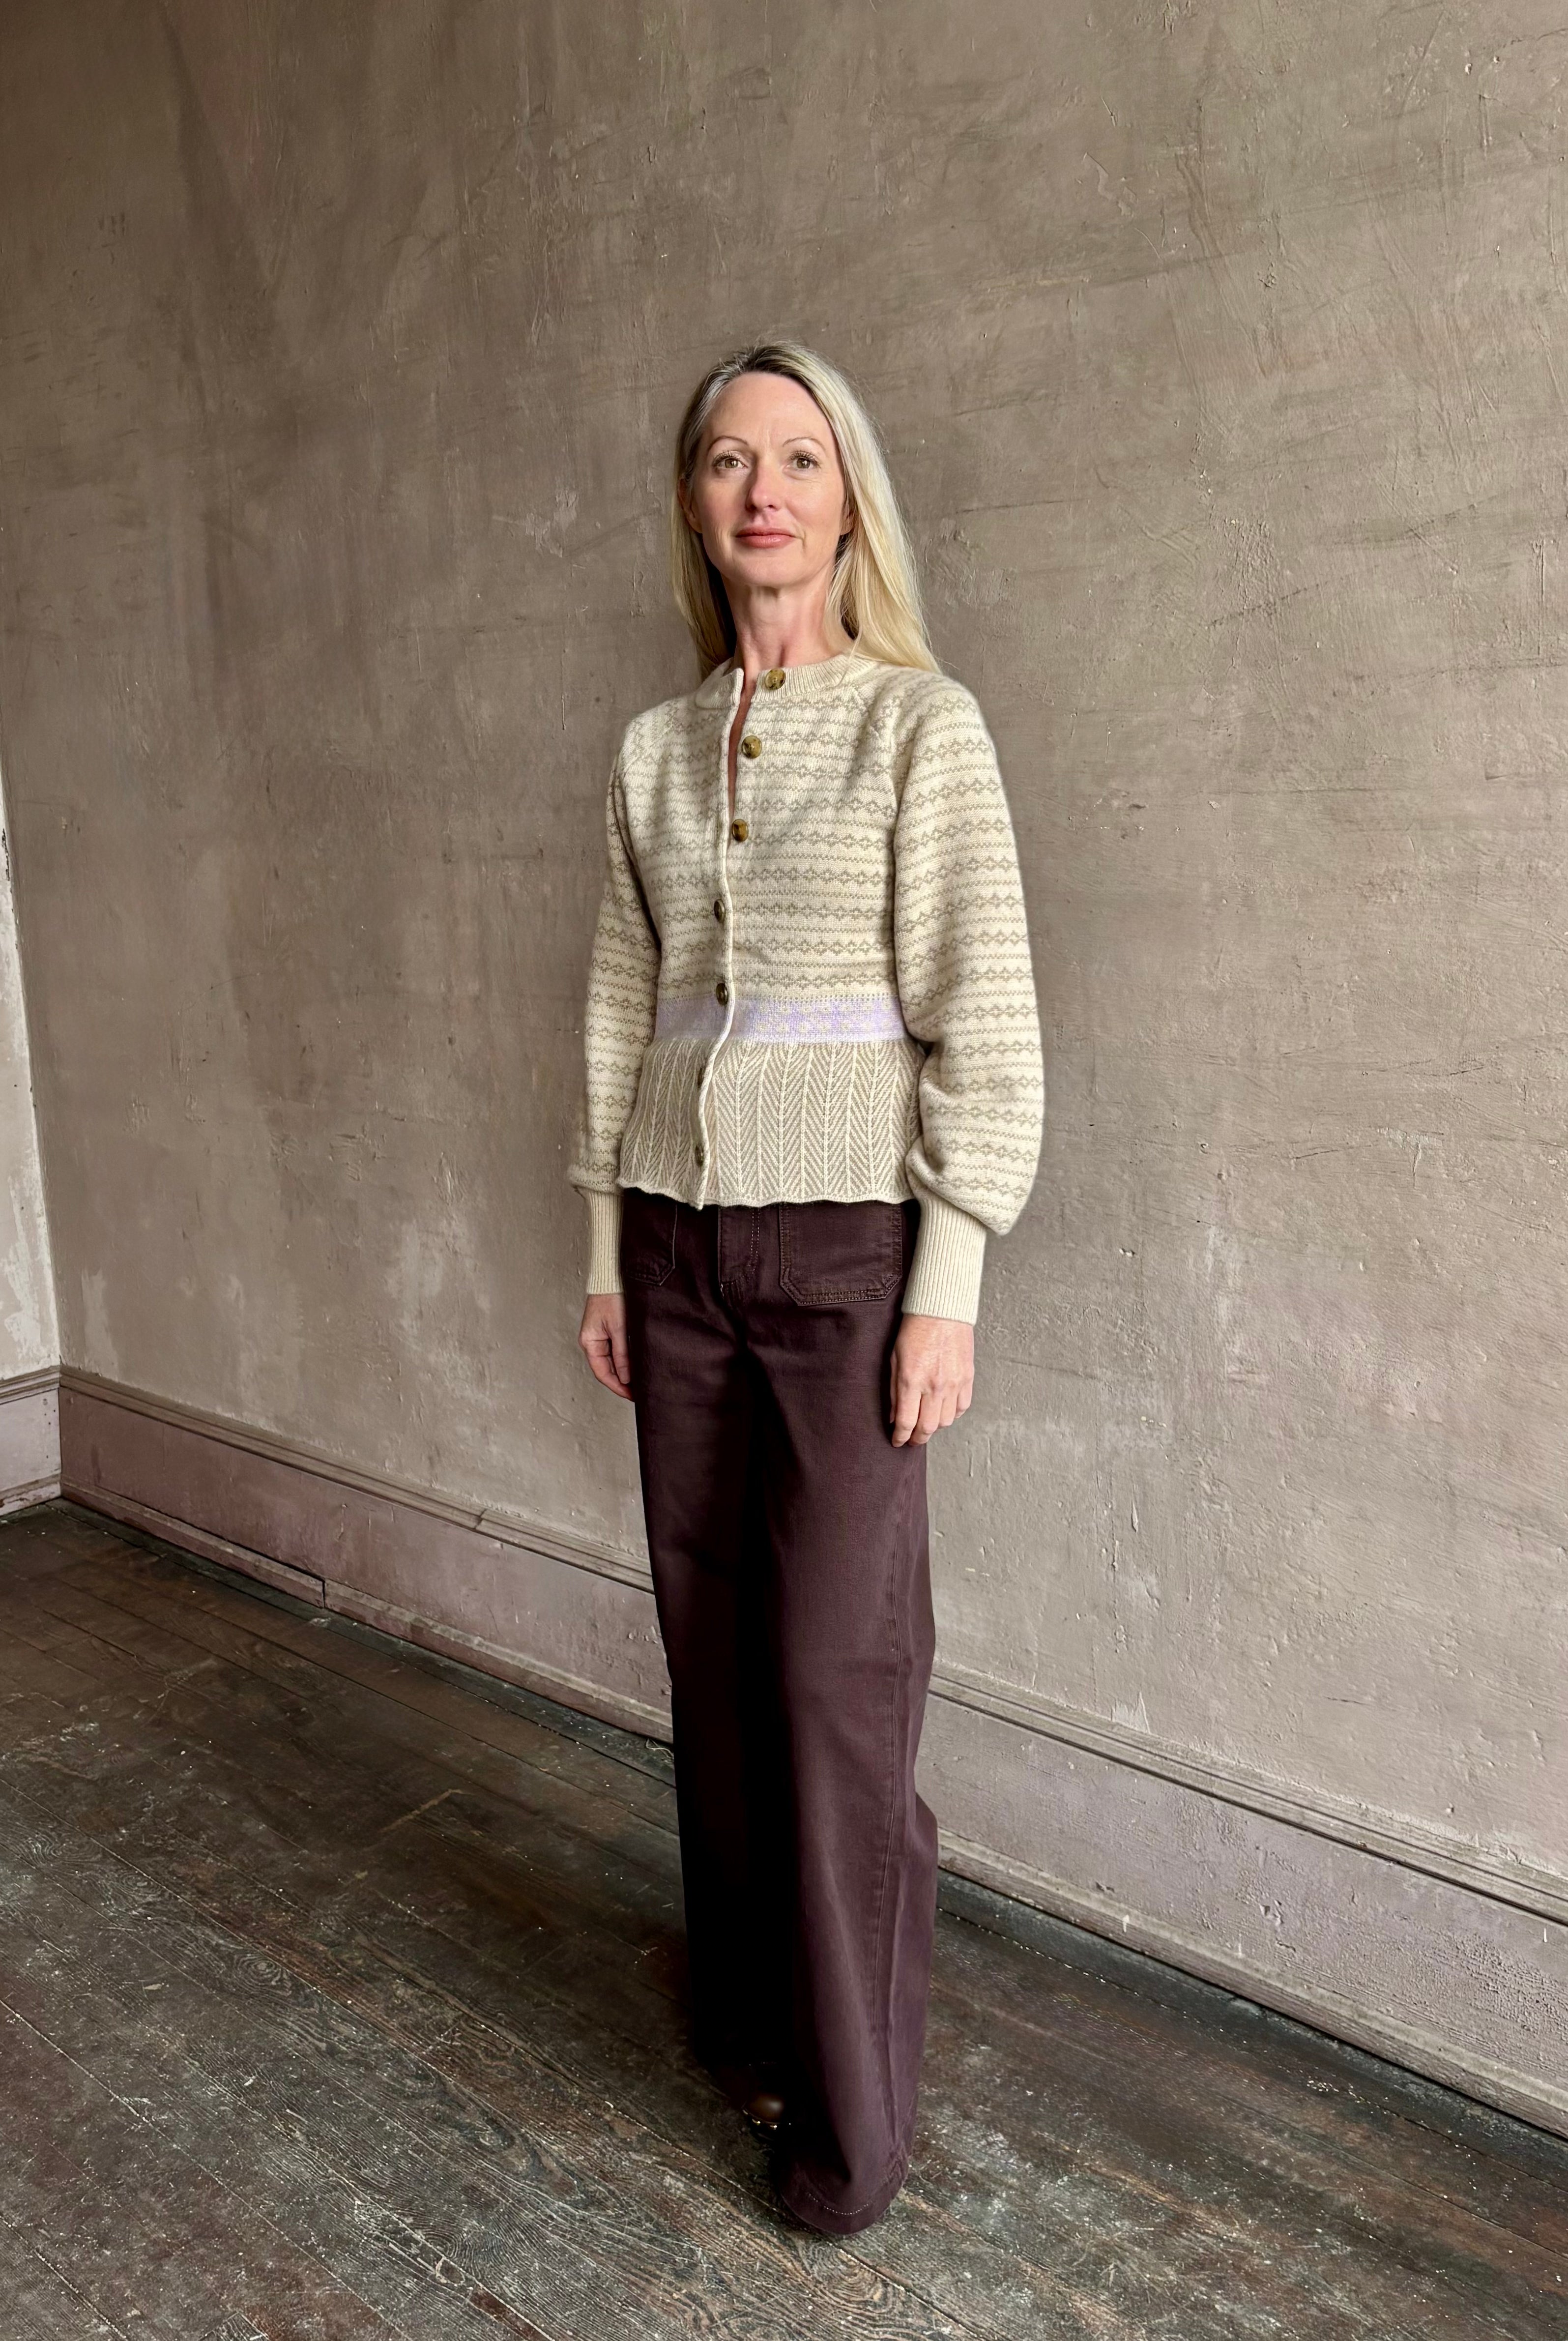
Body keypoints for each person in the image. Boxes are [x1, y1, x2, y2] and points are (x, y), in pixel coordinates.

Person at [568, 340, 1043, 2236]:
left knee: (839, 1680)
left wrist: (953, 1282)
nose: (764, 489)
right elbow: (620, 1015)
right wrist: (603, 1253)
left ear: (850, 500)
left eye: (800, 457)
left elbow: (984, 1024)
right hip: (676, 1251)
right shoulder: (654, 751)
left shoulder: (926, 730)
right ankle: (753, 2018)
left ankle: (854, 2130)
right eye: (725, 459)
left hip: (853, 1261)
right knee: (716, 1662)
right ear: (694, 504)